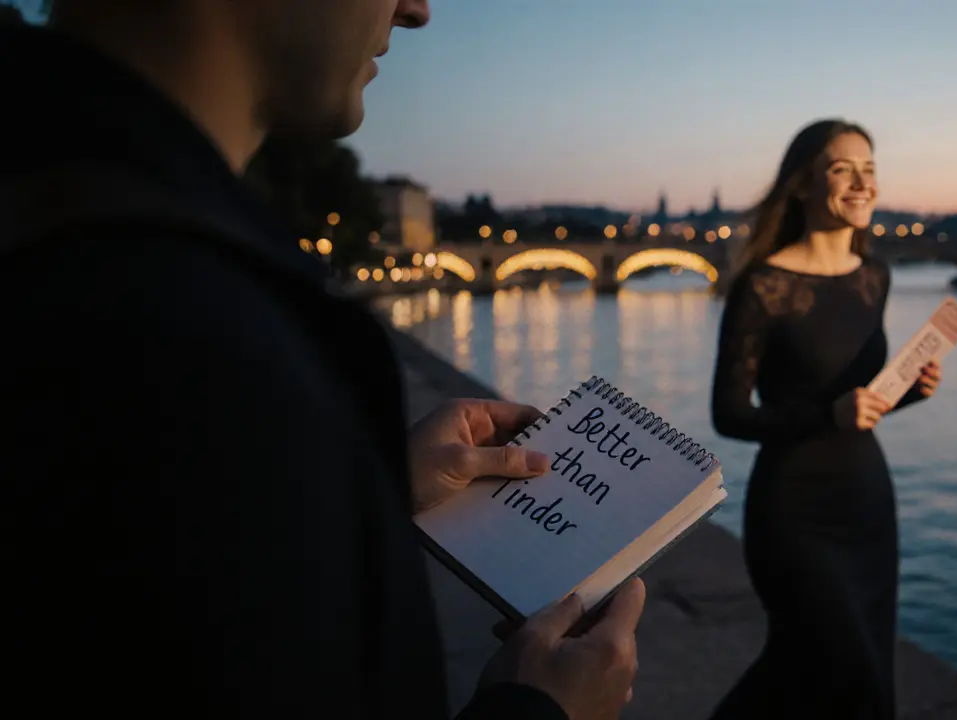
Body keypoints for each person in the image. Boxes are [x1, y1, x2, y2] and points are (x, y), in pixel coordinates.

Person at [0, 2, 642, 719]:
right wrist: (538, 712)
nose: (417, 10)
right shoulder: (183, 336)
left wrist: (362, 487)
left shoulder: (71, 218)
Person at [706, 119, 944, 719]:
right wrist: (826, 415)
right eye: (843, 169)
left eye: (870, 169)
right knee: (841, 670)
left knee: (835, 673)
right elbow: (729, 414)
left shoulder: (875, 277)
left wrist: (908, 393)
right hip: (795, 511)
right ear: (802, 186)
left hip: (866, 502)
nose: (862, 183)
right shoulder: (763, 286)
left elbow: (859, 401)